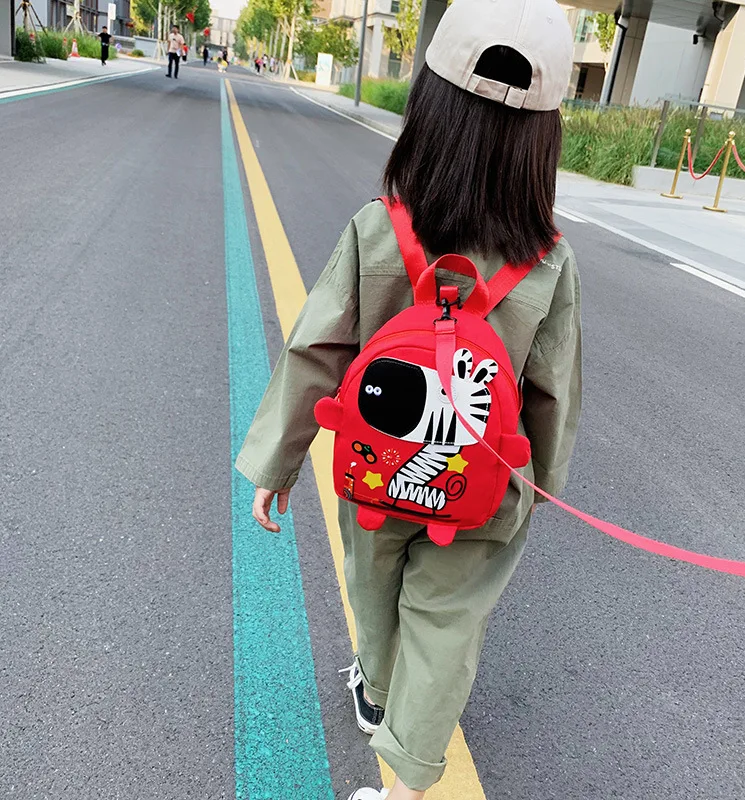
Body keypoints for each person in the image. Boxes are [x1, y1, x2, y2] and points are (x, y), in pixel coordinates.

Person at [235, 0, 581, 798]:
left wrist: (278, 463)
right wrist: (537, 493)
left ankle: (379, 693)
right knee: (446, 623)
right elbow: (552, 392)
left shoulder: (379, 228)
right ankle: (406, 784)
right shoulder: (549, 263)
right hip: (481, 487)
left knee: (374, 584)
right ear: (545, 142)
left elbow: (317, 348)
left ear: (428, 107)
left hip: (380, 468)